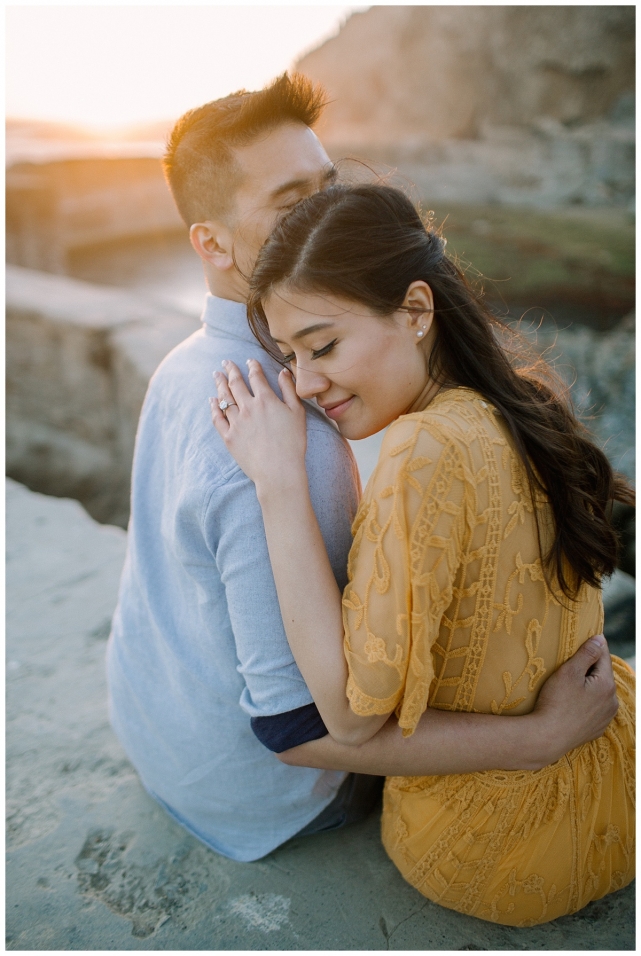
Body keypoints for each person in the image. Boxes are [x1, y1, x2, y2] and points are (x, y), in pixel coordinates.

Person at [107, 73, 619, 865]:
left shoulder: (186, 363)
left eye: (326, 186)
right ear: (209, 244)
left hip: (159, 730)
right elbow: (301, 729)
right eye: (289, 204)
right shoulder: (283, 432)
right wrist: (536, 736)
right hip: (268, 795)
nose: (320, 219)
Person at [211, 181, 634, 924]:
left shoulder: (421, 452)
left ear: (414, 310)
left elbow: (345, 719)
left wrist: (278, 481)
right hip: (616, 778)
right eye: (287, 357)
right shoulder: (524, 400)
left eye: (324, 346)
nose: (304, 385)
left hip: (500, 847)